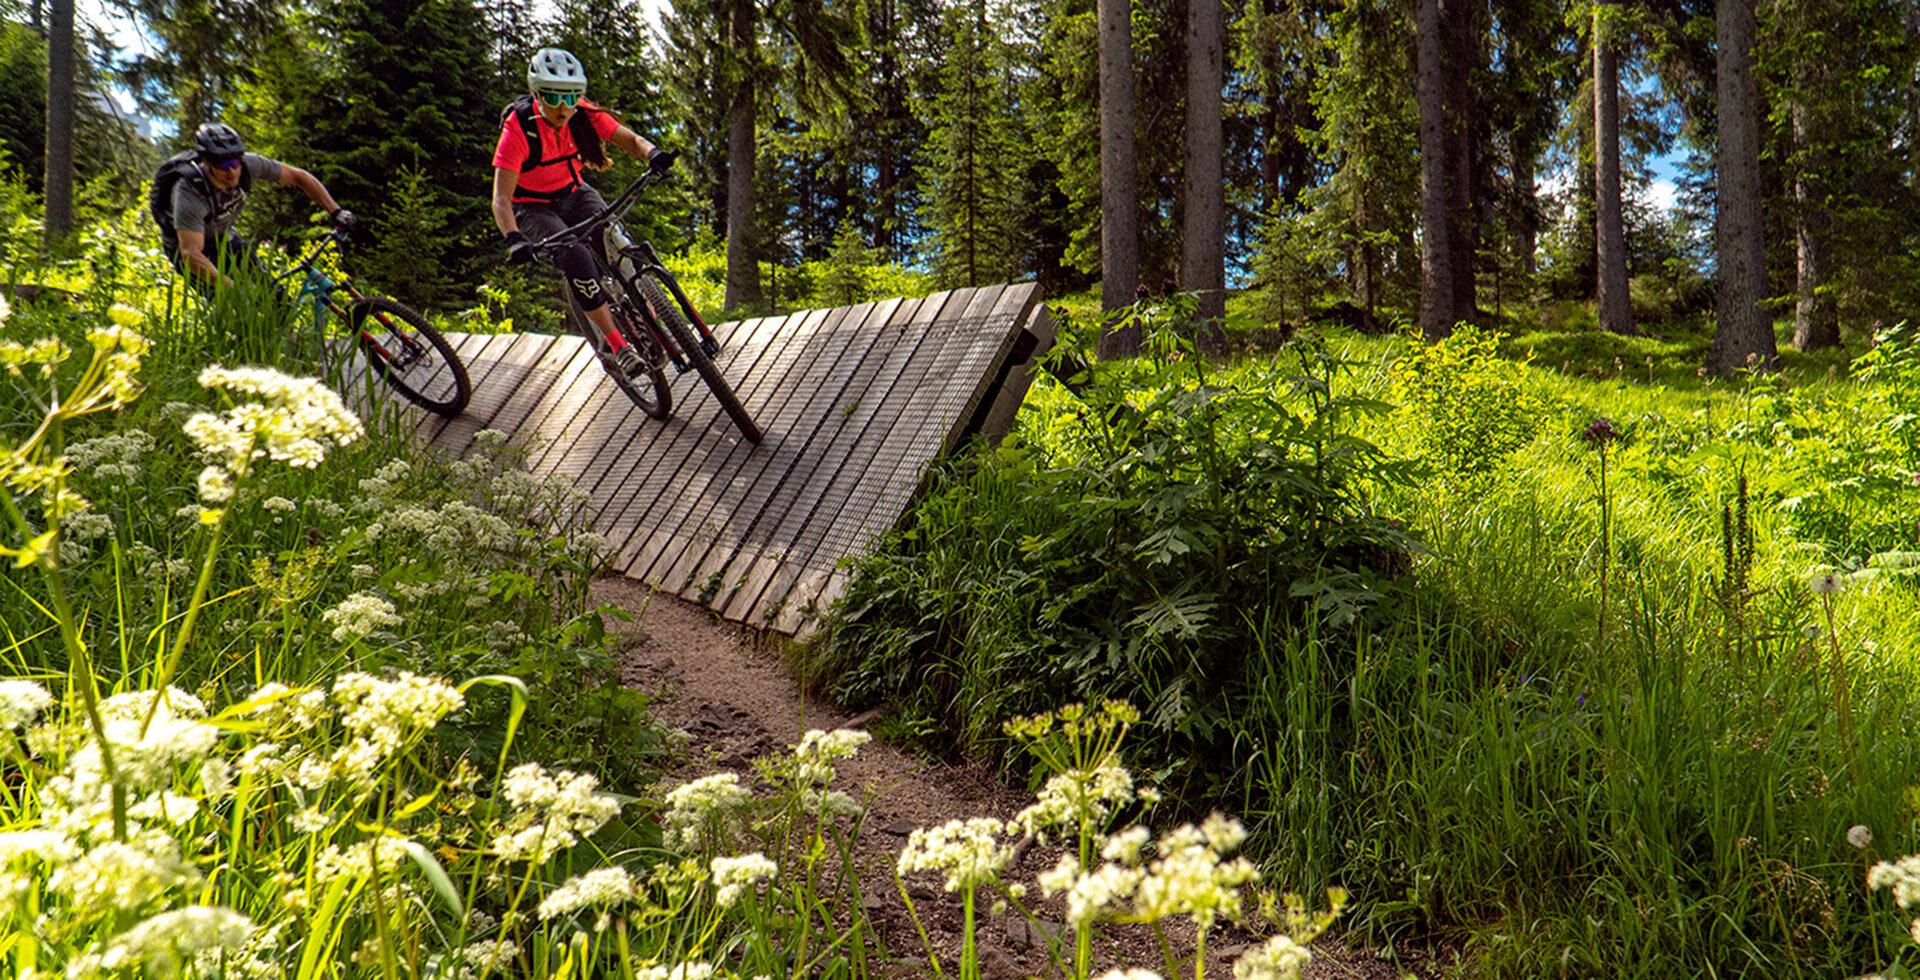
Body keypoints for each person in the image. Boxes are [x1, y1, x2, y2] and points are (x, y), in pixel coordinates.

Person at [492, 47, 677, 377]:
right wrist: (514, 239)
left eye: (572, 97)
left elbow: (631, 141)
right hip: (533, 207)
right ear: (537, 94)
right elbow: (501, 200)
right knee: (577, 258)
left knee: (615, 239)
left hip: (574, 192)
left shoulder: (584, 115)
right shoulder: (518, 130)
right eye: (553, 97)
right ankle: (617, 345)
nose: (563, 107)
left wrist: (653, 154)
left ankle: (649, 319)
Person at [150, 122, 357, 290]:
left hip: (225, 238)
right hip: (189, 250)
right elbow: (191, 255)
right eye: (223, 166)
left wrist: (336, 211)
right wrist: (234, 289)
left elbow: (298, 176)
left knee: (274, 296)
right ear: (207, 163)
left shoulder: (248, 164)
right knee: (235, 309)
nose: (232, 171)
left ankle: (291, 340)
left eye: (235, 163)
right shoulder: (189, 192)